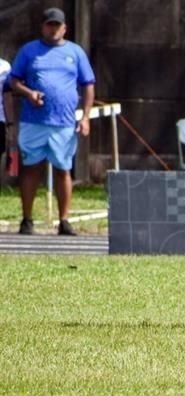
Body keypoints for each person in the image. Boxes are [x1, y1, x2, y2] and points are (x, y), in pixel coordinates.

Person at [9, 7, 95, 236]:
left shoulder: (75, 52)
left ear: (64, 28)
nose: (53, 29)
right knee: (30, 169)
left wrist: (85, 117)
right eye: (49, 24)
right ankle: (27, 219)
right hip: (33, 121)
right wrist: (29, 93)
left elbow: (88, 84)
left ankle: (64, 220)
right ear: (43, 27)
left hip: (64, 122)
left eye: (57, 25)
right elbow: (14, 81)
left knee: (63, 169)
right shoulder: (29, 51)